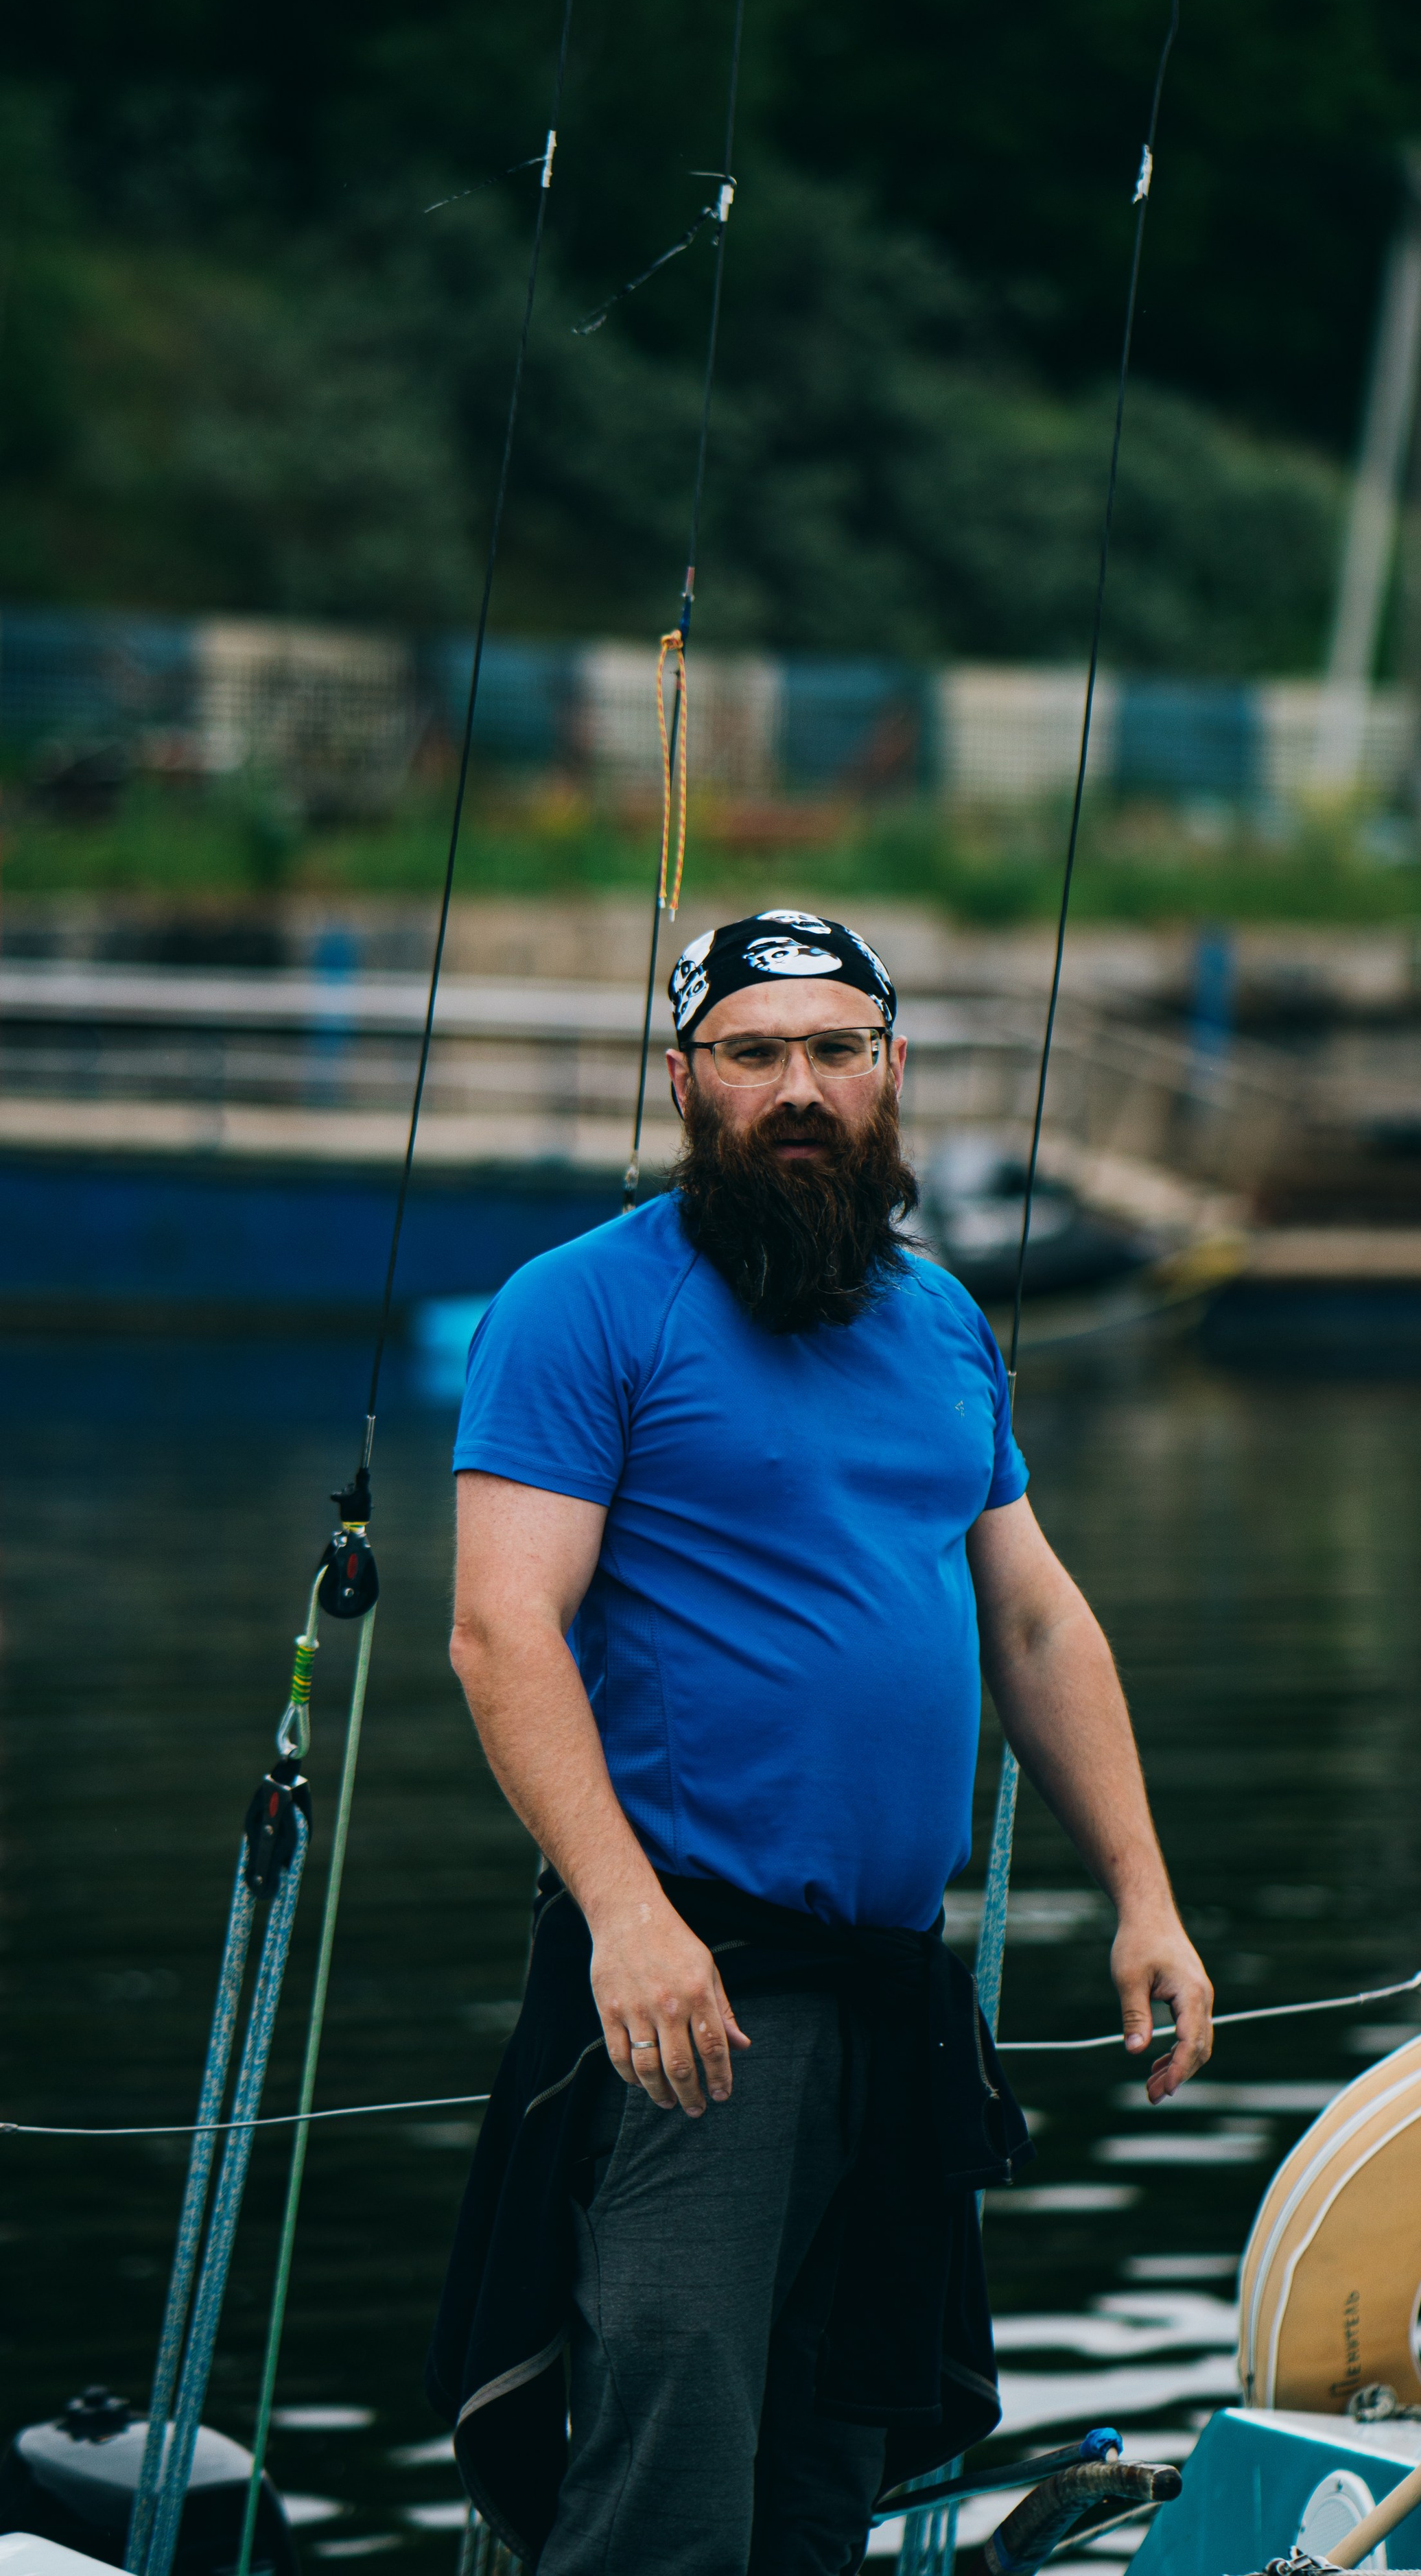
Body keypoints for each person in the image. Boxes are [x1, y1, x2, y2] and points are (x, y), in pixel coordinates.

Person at [429, 910, 1212, 2576]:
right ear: (684, 1083)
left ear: (890, 1072)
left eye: (835, 1051)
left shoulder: (938, 1323)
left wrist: (1142, 1898)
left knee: (831, 2462)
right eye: (754, 1054)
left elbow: (1036, 1623)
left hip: (889, 1993)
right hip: (690, 1992)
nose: (800, 1087)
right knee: (673, 2436)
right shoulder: (579, 1308)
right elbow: (502, 1629)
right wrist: (628, 1922)